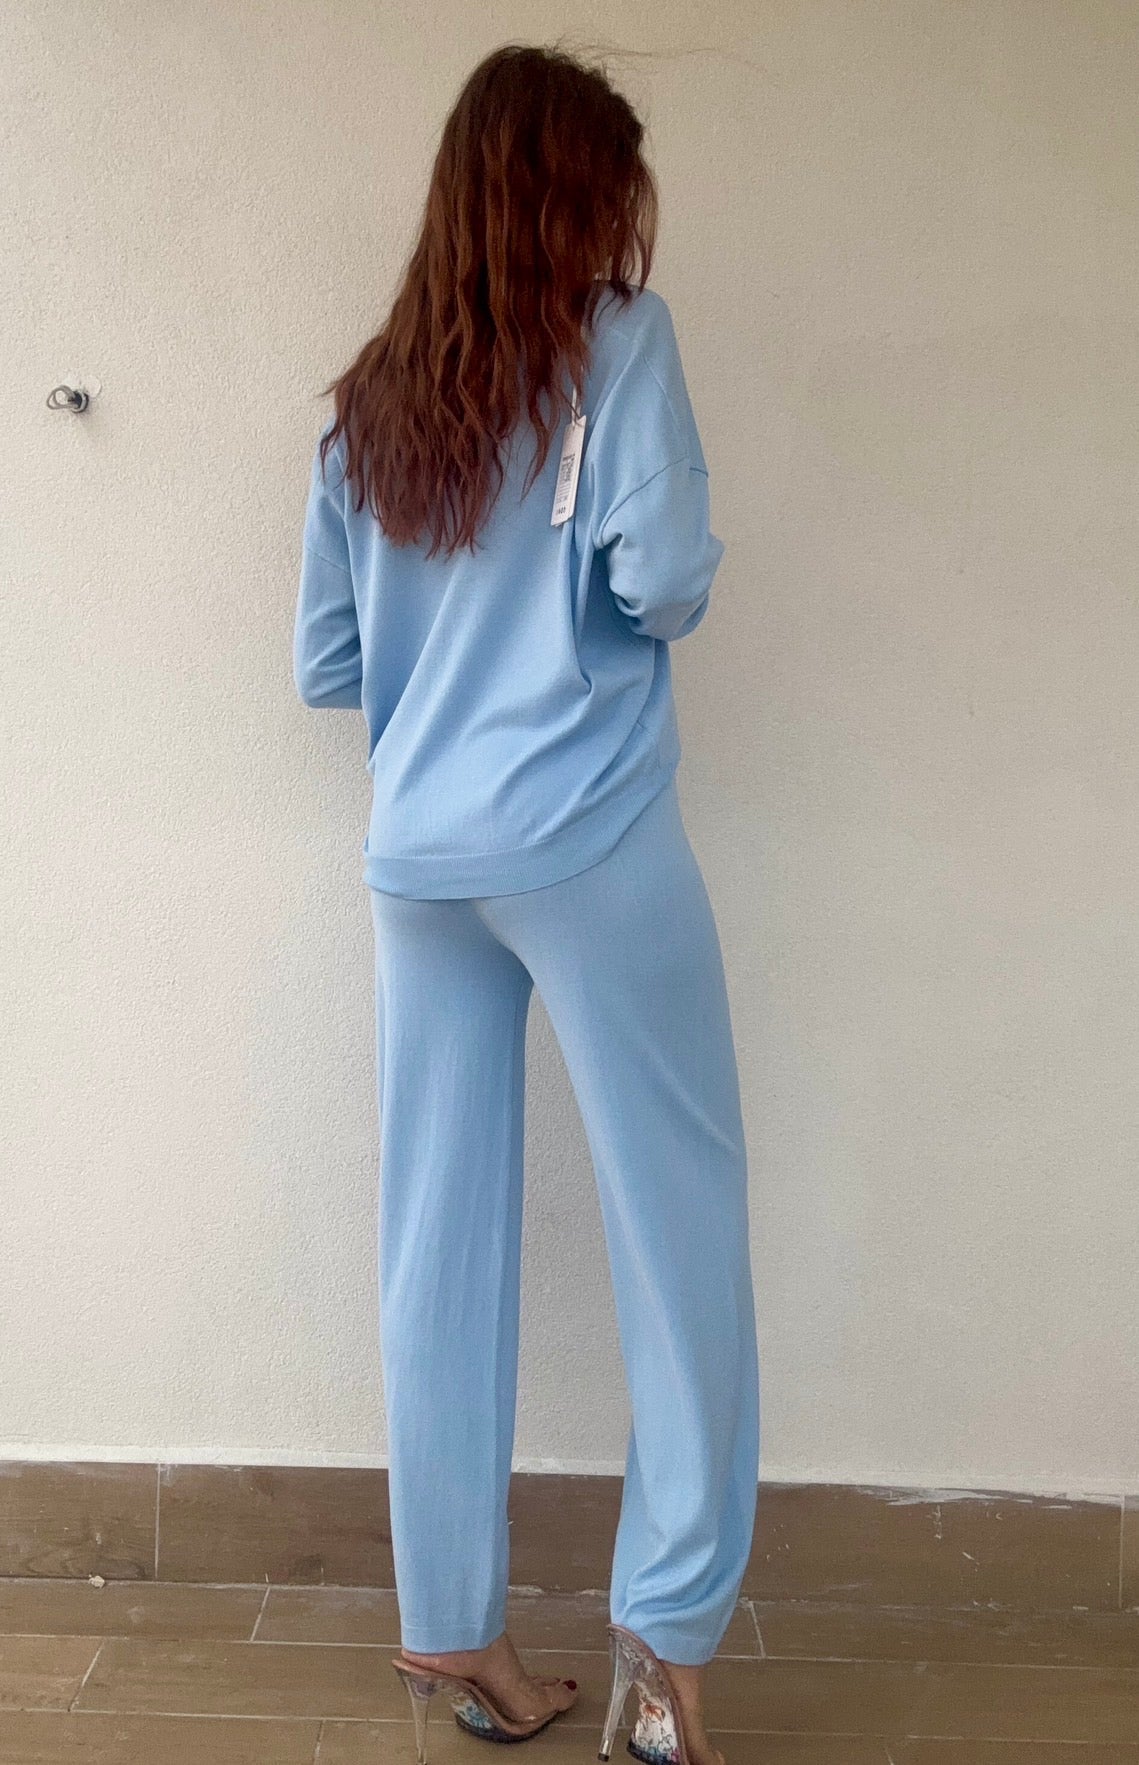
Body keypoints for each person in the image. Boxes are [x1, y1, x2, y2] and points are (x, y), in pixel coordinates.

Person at [292, 41, 759, 1765]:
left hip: (419, 864)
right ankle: (665, 1658)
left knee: (437, 1240)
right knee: (679, 1225)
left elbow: (328, 658)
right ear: (576, 194)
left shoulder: (369, 400)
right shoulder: (618, 344)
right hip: (588, 839)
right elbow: (668, 579)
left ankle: (453, 1635)